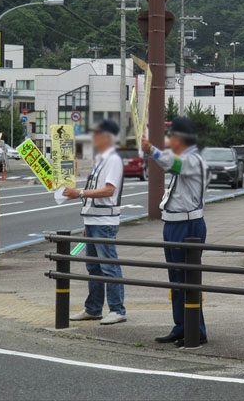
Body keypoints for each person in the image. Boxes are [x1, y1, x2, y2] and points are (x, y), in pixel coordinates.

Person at [141, 117, 208, 347]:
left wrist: (151, 150)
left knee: (188, 280)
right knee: (177, 281)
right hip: (174, 223)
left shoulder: (194, 160)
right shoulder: (185, 158)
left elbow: (173, 165)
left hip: (187, 225)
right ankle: (181, 326)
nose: (170, 139)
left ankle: (196, 330)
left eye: (173, 135)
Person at [64, 119, 127, 325]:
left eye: (97, 135)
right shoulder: (101, 159)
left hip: (104, 220)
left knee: (109, 266)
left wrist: (79, 192)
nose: (94, 138)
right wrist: (86, 224)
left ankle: (117, 309)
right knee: (94, 267)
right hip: (93, 220)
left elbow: (109, 190)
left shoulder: (113, 160)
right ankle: (94, 308)